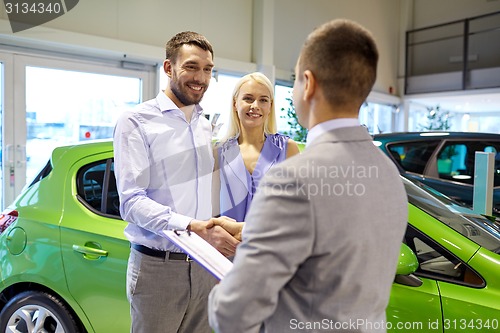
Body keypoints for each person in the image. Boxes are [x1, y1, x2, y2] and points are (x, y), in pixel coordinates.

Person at [208, 19, 408, 333]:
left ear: (308, 84)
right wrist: (248, 229)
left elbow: (233, 312)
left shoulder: (293, 178)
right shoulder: (389, 174)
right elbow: (328, 234)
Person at [113, 31, 239, 333]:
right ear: (169, 68)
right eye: (192, 67)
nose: (201, 78)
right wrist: (191, 226)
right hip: (159, 268)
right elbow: (131, 202)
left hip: (207, 265)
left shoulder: (204, 125)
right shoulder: (136, 121)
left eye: (208, 69)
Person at [212, 72, 300, 222]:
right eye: (248, 99)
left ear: (270, 106)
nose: (255, 106)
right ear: (235, 103)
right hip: (226, 243)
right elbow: (213, 211)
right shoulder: (218, 152)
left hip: (272, 243)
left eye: (263, 100)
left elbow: (298, 209)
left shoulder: (288, 149)